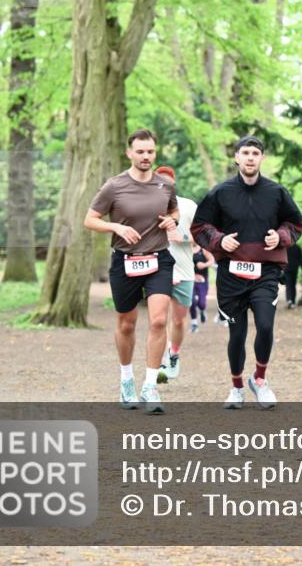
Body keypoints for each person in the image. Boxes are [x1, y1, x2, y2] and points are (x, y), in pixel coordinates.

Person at [191, 135, 302, 409]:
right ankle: (237, 387)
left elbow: (296, 224)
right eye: (246, 152)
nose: (251, 157)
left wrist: (280, 237)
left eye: (256, 153)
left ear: (262, 158)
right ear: (237, 157)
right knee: (237, 335)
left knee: (265, 325)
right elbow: (199, 227)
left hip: (266, 272)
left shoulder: (276, 192)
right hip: (231, 273)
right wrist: (219, 241)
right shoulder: (221, 192)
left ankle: (261, 380)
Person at [84, 129, 178, 414]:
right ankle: (127, 379)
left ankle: (150, 386)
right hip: (124, 261)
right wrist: (116, 227)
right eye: (140, 151)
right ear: (130, 153)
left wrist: (171, 222)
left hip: (159, 260)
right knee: (127, 323)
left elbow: (174, 212)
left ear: (155, 153)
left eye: (150, 151)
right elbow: (90, 219)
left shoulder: (165, 185)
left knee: (159, 320)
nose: (146, 156)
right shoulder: (114, 186)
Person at [153, 166, 197, 383]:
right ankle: (159, 361)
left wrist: (184, 238)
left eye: (167, 182)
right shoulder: (147, 206)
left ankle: (174, 354)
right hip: (157, 271)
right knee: (158, 321)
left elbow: (203, 237)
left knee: (178, 321)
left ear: (174, 182)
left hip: (184, 270)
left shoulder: (188, 206)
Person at [190, 242, 215, 333]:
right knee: (192, 301)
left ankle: (202, 311)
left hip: (202, 280)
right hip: (190, 279)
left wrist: (204, 265)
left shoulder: (203, 250)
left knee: (201, 303)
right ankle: (194, 323)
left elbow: (212, 260)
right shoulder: (186, 249)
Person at [284, 243, 302, 308]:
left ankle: (289, 299)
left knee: (288, 284)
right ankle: (293, 301)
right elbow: (301, 258)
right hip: (295, 268)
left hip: (286, 268)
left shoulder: (285, 248)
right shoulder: (297, 247)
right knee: (293, 284)